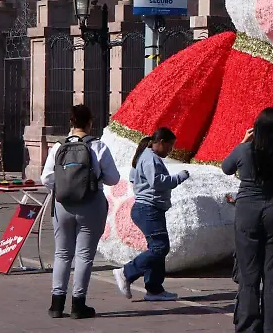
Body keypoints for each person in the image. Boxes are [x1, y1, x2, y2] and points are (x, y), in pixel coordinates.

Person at [222, 107, 273, 333]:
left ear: (256, 128)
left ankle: (248, 326)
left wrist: (242, 142)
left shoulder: (244, 150)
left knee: (248, 274)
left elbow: (226, 168)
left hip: (248, 212)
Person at [41, 104, 121, 319]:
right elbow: (113, 178)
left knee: (62, 253)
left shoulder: (58, 147)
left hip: (62, 205)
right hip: (91, 203)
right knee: (84, 255)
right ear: (90, 123)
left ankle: (56, 304)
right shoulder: (98, 147)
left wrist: (64, 187)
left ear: (71, 122)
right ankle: (78, 305)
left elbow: (46, 178)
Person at [113, 127, 190, 302]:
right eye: (170, 146)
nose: (170, 150)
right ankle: (126, 272)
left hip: (149, 207)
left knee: (157, 248)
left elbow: (135, 178)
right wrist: (179, 177)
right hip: (149, 209)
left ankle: (154, 289)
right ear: (161, 142)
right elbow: (157, 182)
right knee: (160, 248)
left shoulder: (146, 156)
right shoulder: (151, 159)